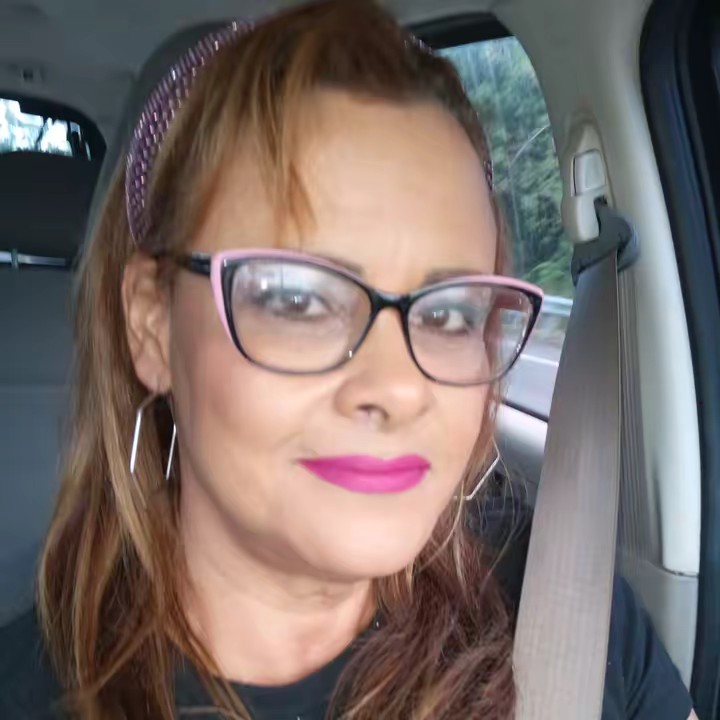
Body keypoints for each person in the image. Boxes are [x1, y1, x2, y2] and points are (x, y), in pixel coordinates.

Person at [0, 1, 697, 718]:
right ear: (152, 327)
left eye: (450, 312)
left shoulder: (570, 611)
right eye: (298, 299)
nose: (398, 388)